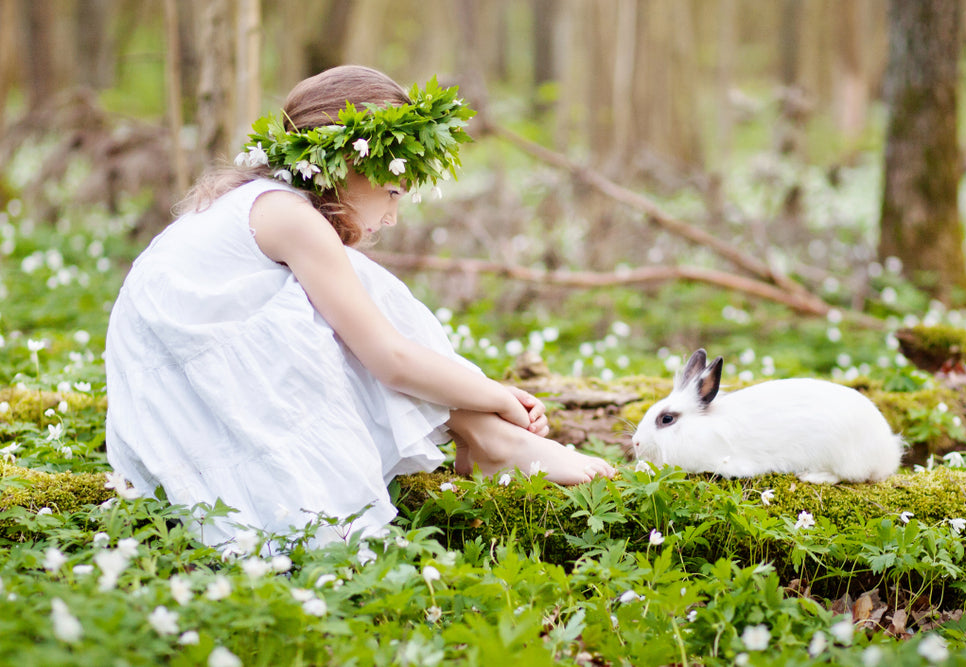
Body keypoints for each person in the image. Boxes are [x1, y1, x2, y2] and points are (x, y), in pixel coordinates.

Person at [104, 65, 616, 546]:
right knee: (366, 289)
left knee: (355, 284)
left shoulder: (262, 203)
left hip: (174, 394)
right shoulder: (288, 215)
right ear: (348, 163)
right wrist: (496, 396)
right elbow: (388, 358)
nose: (392, 216)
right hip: (187, 401)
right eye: (391, 192)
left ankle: (485, 438)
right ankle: (492, 440)